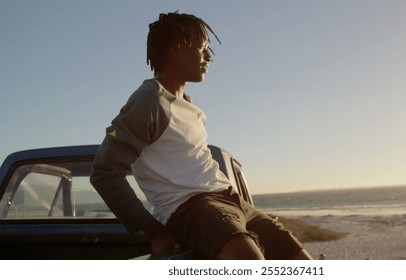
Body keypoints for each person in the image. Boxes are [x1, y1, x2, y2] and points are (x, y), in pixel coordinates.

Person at [90, 11, 312, 260]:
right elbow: (104, 173)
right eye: (203, 48)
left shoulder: (191, 107)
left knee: (301, 260)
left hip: (232, 201)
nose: (209, 57)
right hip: (190, 208)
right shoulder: (150, 99)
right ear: (176, 47)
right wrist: (154, 231)